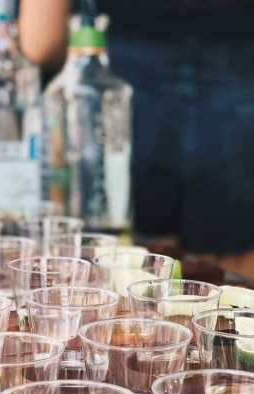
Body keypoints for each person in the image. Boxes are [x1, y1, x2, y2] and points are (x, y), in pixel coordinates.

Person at [19, 0, 254, 271]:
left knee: (122, 277)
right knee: (235, 286)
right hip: (234, 58)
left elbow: (40, 41)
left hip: (119, 65)